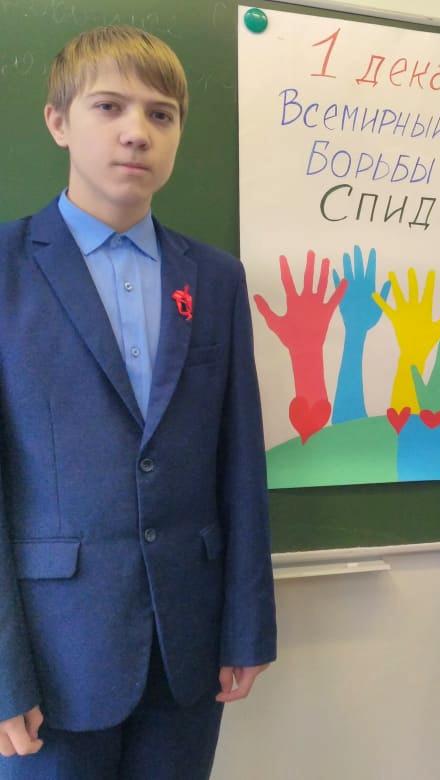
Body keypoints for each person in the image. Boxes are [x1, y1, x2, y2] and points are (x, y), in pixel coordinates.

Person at [0, 25, 276, 778]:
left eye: (161, 114)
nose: (137, 132)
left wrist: (247, 626)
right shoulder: (7, 268)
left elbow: (240, 462)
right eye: (109, 106)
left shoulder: (214, 278)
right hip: (51, 657)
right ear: (57, 122)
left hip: (187, 646)